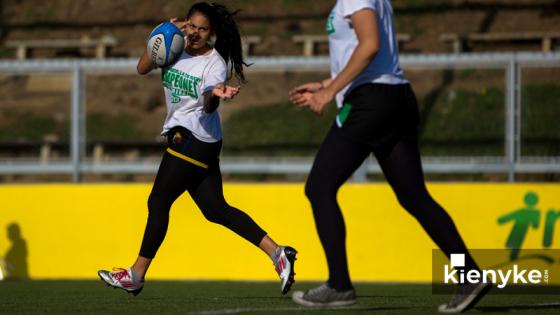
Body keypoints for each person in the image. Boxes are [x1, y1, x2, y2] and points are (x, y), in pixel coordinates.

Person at [288, 0, 490, 312]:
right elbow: (373, 56)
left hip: (372, 102)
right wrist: (326, 84)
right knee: (414, 197)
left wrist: (329, 93)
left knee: (319, 187)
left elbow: (370, 46)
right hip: (395, 98)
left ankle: (339, 285)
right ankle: (470, 274)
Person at [98, 2, 296, 296]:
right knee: (215, 210)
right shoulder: (173, 48)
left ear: (211, 32)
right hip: (202, 142)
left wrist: (215, 94)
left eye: (203, 29)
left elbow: (207, 101)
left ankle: (136, 274)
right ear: (185, 24)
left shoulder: (214, 63)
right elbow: (141, 68)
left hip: (192, 137)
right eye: (191, 26)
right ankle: (277, 252)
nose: (195, 33)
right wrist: (161, 35)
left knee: (158, 202)